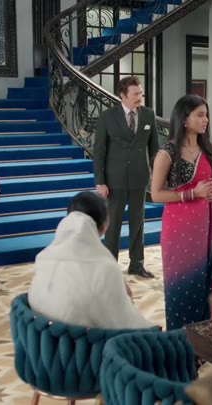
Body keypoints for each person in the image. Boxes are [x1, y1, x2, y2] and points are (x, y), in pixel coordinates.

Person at [150, 94, 212, 330]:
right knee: (181, 286)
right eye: (200, 115)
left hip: (207, 228)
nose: (206, 120)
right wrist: (192, 193)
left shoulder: (207, 152)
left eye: (206, 115)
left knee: (205, 283)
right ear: (184, 119)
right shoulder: (167, 154)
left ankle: (202, 340)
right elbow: (156, 194)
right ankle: (180, 339)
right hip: (179, 230)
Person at [28, 191, 155, 329]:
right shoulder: (105, 267)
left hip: (43, 337)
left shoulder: (44, 257)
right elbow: (125, 321)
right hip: (87, 340)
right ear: (104, 225)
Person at [93, 76, 160, 279]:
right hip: (114, 180)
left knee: (137, 223)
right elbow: (99, 152)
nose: (140, 97)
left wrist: (158, 177)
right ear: (123, 96)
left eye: (140, 93)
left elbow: (154, 149)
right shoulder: (107, 116)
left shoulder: (148, 114)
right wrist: (100, 182)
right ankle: (110, 266)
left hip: (139, 178)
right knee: (112, 225)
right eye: (135, 94)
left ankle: (137, 264)